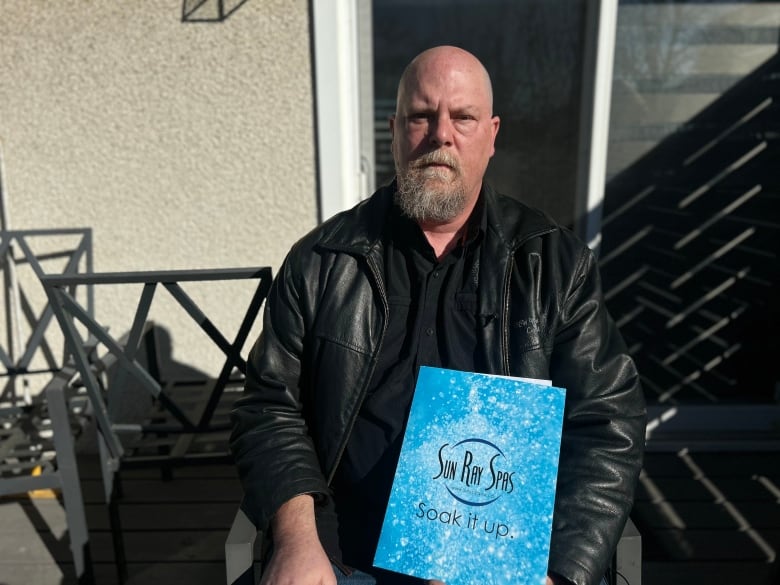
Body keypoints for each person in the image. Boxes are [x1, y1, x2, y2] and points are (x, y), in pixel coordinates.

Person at [230, 45, 646, 585]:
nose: (440, 134)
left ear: (492, 134)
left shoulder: (554, 266)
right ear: (395, 130)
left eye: (463, 117)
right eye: (421, 116)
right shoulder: (321, 261)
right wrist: (295, 537)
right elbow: (268, 406)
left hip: (501, 568)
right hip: (345, 562)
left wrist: (557, 572)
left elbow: (608, 422)